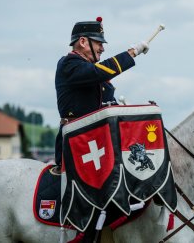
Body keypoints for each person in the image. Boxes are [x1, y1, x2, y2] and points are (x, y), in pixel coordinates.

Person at [54, 17, 149, 166]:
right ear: (83, 42)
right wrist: (132, 53)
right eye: (99, 43)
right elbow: (99, 72)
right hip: (78, 144)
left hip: (100, 140)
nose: (102, 49)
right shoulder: (69, 64)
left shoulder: (92, 72)